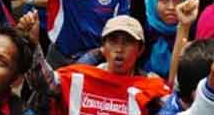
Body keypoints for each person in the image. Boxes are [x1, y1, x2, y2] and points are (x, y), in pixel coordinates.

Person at [21, 12, 170, 114]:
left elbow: (178, 108)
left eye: (127, 42)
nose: (119, 49)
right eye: (113, 41)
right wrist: (32, 45)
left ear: (140, 49)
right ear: (103, 48)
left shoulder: (152, 86)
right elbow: (42, 83)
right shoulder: (78, 77)